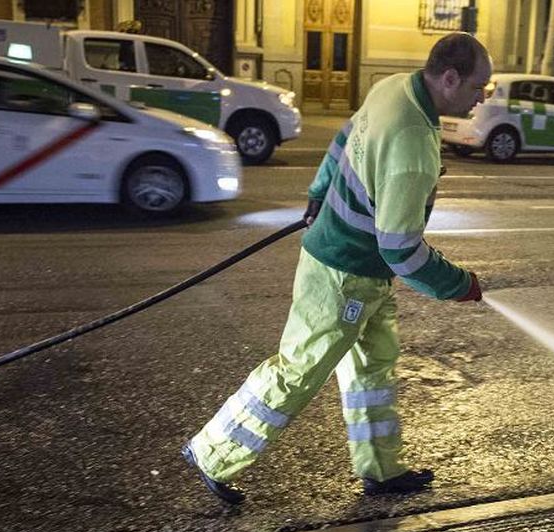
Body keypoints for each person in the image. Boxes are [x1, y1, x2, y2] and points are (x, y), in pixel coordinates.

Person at [183, 33, 491, 505]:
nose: (480, 98)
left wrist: (319, 189)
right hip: (343, 273)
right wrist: (458, 285)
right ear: (450, 78)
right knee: (299, 369)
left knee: (373, 366)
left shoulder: (394, 88)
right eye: (478, 88)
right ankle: (213, 453)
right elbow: (402, 251)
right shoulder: (412, 145)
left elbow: (347, 136)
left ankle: (383, 470)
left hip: (363, 273)